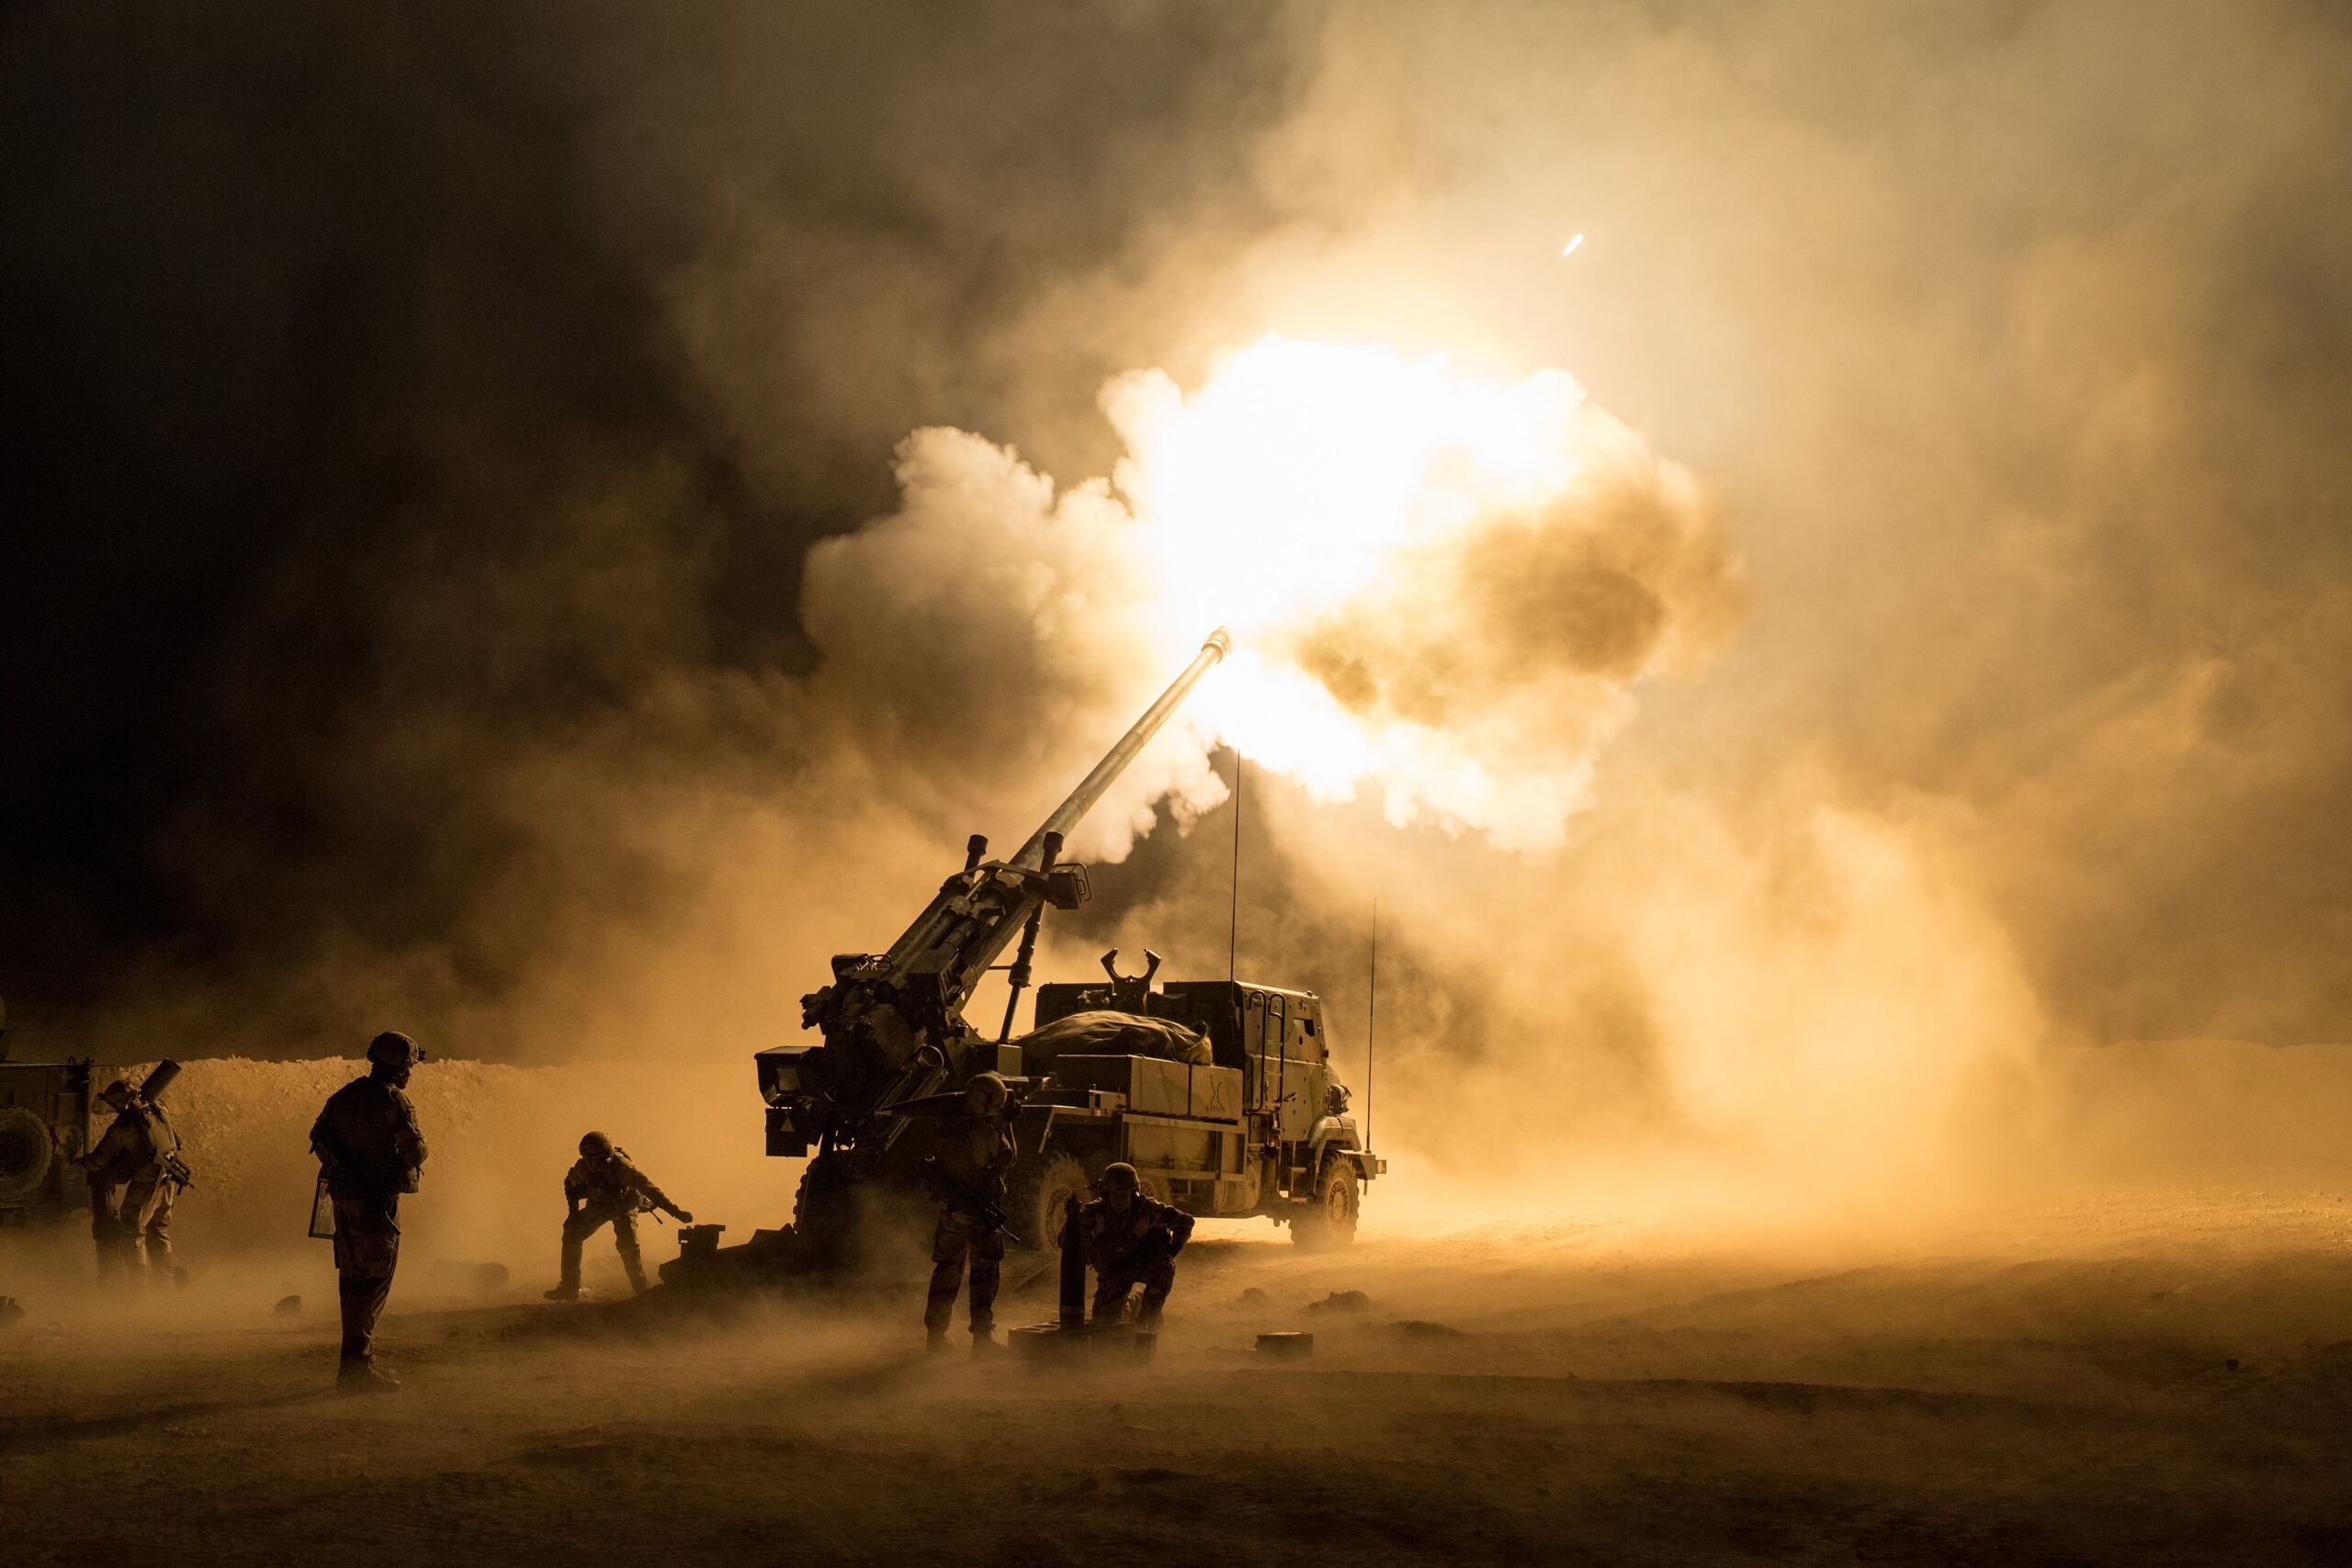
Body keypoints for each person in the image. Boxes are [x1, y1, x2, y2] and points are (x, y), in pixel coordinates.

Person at [309, 1031, 429, 1393]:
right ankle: (357, 1367)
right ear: (399, 1066)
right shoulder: (392, 1100)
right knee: (374, 1281)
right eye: (409, 1065)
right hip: (376, 1203)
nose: (411, 1072)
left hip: (343, 1200)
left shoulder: (343, 1096)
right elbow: (415, 1152)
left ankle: (352, 1364)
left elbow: (318, 1136)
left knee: (351, 1281)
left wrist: (345, 1170)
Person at [921, 1072, 1015, 1355]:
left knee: (946, 1273)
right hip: (980, 1216)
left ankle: (935, 1337)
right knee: (984, 1277)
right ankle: (982, 1342)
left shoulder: (946, 1127)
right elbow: (1009, 1158)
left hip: (953, 1214)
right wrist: (1007, 1123)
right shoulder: (985, 1132)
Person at [545, 1133, 692, 1300]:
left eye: (596, 1158)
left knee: (627, 1245)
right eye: (587, 1157)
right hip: (599, 1205)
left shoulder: (622, 1168)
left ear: (607, 1156)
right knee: (572, 1232)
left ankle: (642, 1291)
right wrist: (573, 1215)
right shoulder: (581, 1169)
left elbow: (650, 1190)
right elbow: (570, 1189)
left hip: (624, 1205)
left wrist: (676, 1213)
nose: (591, 1162)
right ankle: (570, 1287)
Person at [78, 1077, 187, 1287]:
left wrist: (81, 1162)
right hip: (169, 1177)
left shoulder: (123, 1128)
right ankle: (165, 1285)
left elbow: (98, 1160)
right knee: (158, 1229)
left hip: (148, 1182)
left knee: (132, 1230)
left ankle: (138, 1291)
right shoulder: (158, 1109)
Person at [1076, 1162, 1193, 1329]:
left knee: (1165, 1268)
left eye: (1124, 1193)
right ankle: (1133, 1305)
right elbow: (1064, 1241)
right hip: (1114, 1271)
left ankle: (1149, 1315)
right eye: (1114, 1193)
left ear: (1133, 1192)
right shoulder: (1095, 1212)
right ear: (1107, 1193)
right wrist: (1071, 1219)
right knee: (1104, 1323)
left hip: (1144, 1266)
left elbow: (1186, 1222)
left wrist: (1171, 1252)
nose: (1119, 1198)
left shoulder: (1149, 1210)